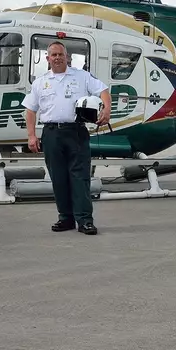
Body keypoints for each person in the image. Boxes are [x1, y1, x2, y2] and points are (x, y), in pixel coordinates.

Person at [23, 41, 111, 235]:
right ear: (47, 59)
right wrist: (31, 136)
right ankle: (66, 218)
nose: (57, 58)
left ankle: (85, 220)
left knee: (80, 177)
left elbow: (103, 90)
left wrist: (106, 109)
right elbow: (30, 110)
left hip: (76, 132)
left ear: (67, 56)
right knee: (58, 178)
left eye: (60, 54)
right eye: (53, 55)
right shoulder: (40, 82)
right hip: (51, 134)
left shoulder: (82, 76)